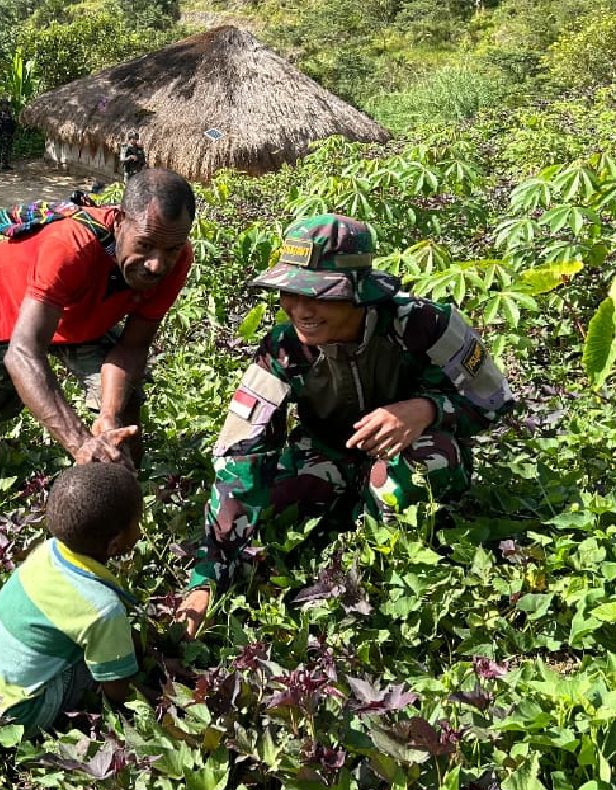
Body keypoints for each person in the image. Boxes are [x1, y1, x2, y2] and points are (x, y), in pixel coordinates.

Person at [175, 214, 514, 636]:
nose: (300, 310)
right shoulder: (281, 351)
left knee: (403, 483)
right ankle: (345, 511)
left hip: (410, 454)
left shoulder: (426, 325)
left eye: (317, 296)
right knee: (261, 509)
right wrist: (206, 579)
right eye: (289, 294)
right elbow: (241, 455)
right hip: (326, 454)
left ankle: (383, 570)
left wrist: (426, 410)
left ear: (359, 293)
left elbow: (496, 402)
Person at [0, 168, 195, 502]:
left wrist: (109, 415)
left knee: (125, 408)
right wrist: (81, 442)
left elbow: (133, 347)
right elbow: (23, 353)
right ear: (121, 220)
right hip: (6, 308)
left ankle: (123, 509)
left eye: (171, 249)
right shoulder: (71, 246)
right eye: (145, 244)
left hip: (82, 316)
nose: (157, 264)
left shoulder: (178, 259)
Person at [0, 462, 145, 733]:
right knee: (106, 663)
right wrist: (153, 697)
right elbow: (118, 690)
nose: (140, 531)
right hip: (16, 717)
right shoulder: (102, 609)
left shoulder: (49, 551)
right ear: (115, 544)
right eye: (137, 523)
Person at [0, 98, 17, 171]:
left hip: (8, 134)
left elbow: (13, 123)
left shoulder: (10, 113)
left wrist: (13, 133)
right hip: (0, 134)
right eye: (3, 104)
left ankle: (5, 164)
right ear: (1, 105)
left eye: (6, 104)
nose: (5, 106)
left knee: (8, 150)